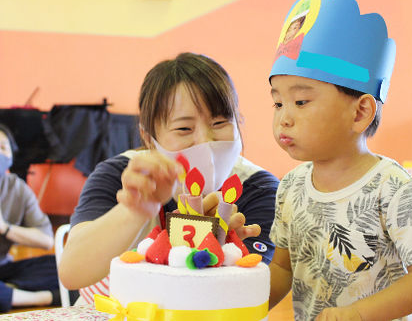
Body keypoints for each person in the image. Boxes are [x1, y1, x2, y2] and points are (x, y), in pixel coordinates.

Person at [267, 0, 412, 321]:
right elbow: (282, 266)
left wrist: (357, 314)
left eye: (301, 102)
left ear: (360, 112)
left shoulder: (393, 186)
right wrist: (241, 301)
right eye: (277, 102)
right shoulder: (290, 187)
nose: (284, 117)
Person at [58, 52, 279, 302]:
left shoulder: (259, 188)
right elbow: (72, 272)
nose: (204, 141)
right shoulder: (123, 175)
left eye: (219, 122)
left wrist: (213, 239)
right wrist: (135, 210)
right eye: (183, 128)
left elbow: (238, 296)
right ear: (147, 136)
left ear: (239, 122)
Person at [0, 124, 60, 313]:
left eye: (2, 147)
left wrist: (5, 228)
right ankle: (42, 297)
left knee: (60, 265)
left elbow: (46, 239)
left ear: (11, 156)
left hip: (4, 267)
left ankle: (9, 293)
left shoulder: (17, 189)